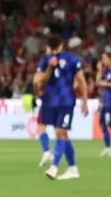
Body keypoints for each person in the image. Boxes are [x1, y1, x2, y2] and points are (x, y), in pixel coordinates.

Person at [33, 36, 88, 180]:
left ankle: (54, 167)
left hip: (67, 101)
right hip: (51, 102)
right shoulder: (45, 60)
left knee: (60, 131)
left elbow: (81, 81)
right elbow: (41, 81)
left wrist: (85, 102)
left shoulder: (72, 59)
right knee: (63, 135)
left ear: (60, 46)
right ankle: (73, 168)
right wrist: (50, 67)